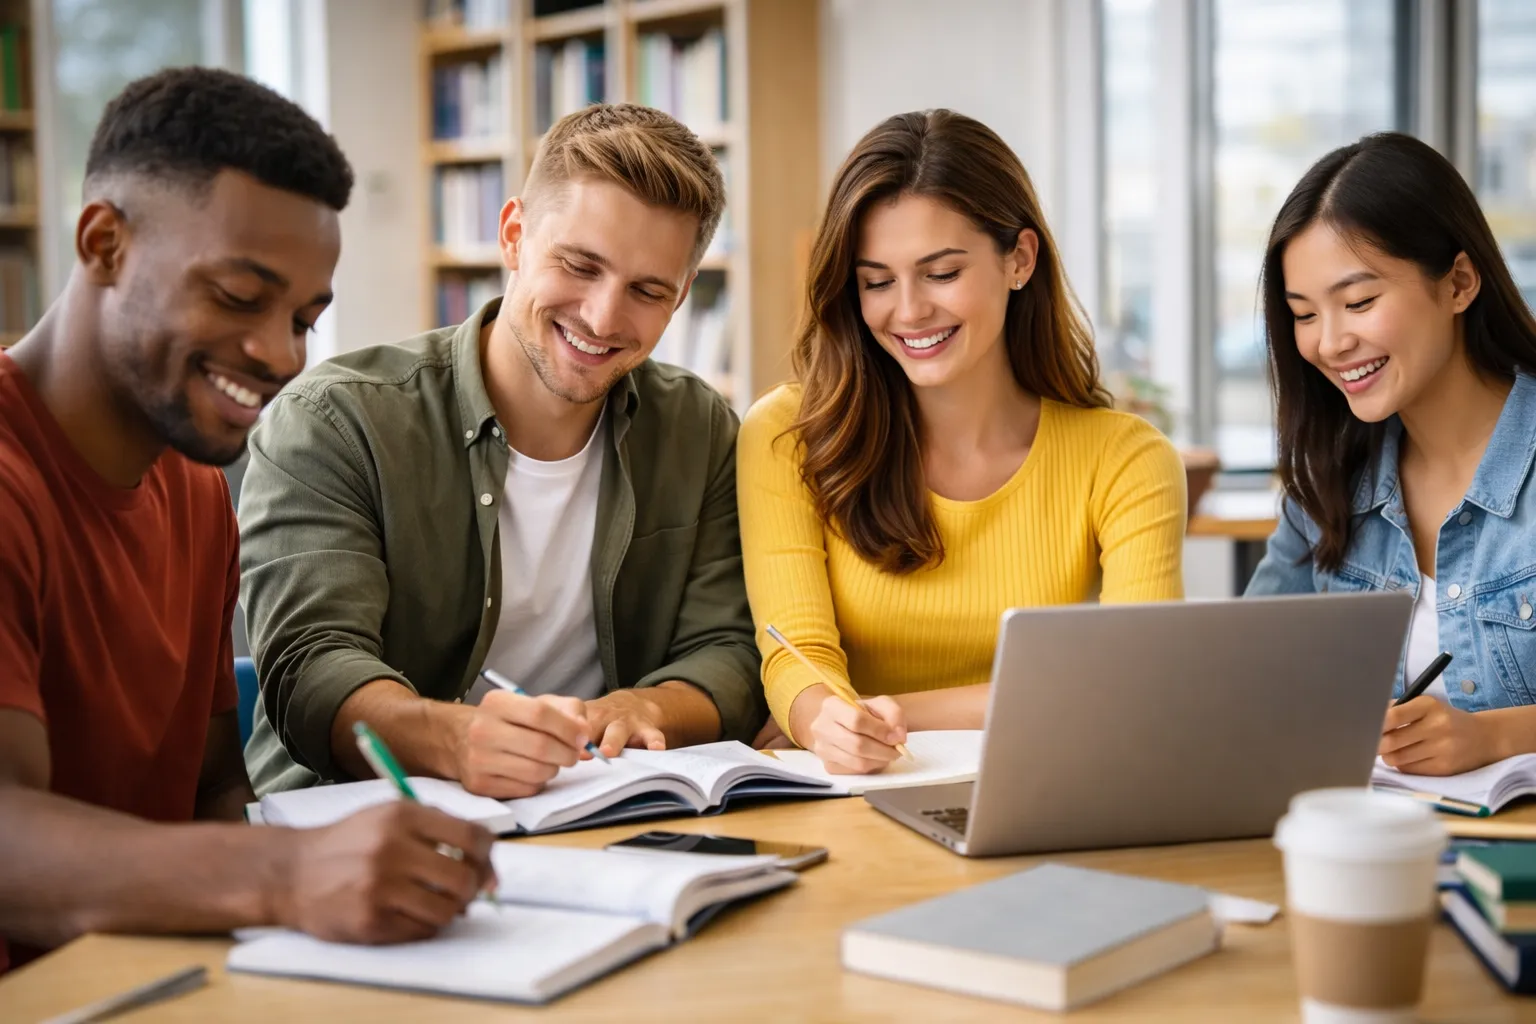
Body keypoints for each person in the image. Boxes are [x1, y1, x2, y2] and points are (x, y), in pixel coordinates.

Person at [0, 68, 494, 975]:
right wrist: (287, 872)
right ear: (104, 242)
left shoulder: (195, 489)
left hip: (159, 981)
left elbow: (215, 785)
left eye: (305, 318)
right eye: (237, 297)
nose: (279, 353)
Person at [240, 103, 763, 798]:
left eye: (647, 290)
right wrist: (454, 739)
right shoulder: (335, 421)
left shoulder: (700, 429)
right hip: (362, 821)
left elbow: (728, 650)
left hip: (602, 812)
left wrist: (645, 707)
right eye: (580, 266)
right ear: (513, 236)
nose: (603, 318)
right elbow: (310, 667)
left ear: (683, 295)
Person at [737, 109, 1186, 774]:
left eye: (941, 273)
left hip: (1050, 786)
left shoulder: (1126, 459)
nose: (910, 310)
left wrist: (893, 712)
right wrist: (822, 717)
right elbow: (795, 654)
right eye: (877, 282)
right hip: (854, 792)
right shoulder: (786, 435)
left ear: (1019, 260)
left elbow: (1129, 682)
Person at [1246, 131, 1536, 777]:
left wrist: (1496, 736)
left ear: (1458, 283)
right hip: (1371, 844)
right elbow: (1249, 678)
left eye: (1358, 302)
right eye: (1302, 314)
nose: (1329, 342)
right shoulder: (1326, 481)